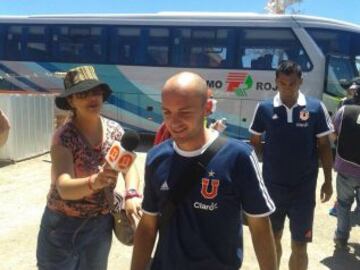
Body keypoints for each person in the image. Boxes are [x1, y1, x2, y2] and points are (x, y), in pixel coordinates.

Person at [131, 72, 277, 270]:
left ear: (207, 108)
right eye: (167, 112)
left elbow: (260, 226)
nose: (173, 122)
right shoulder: (156, 157)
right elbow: (148, 226)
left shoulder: (238, 156)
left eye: (184, 112)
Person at [36, 66, 141, 270]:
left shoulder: (115, 131)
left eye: (96, 92)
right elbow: (64, 187)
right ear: (71, 101)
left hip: (100, 225)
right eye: (83, 94)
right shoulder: (64, 137)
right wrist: (96, 181)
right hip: (62, 227)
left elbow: (130, 166)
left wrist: (132, 193)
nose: (92, 98)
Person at [249, 60, 334, 270]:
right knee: (273, 238)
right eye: (283, 83)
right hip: (272, 188)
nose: (287, 88)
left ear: (300, 82)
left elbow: (324, 145)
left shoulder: (315, 108)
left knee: (300, 245)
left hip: (303, 191)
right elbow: (254, 144)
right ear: (276, 82)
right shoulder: (264, 108)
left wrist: (328, 181)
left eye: (292, 83)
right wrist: (251, 180)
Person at [332, 79, 360, 249]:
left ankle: (341, 238)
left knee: (343, 204)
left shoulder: (344, 110)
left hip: (345, 168)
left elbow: (332, 135)